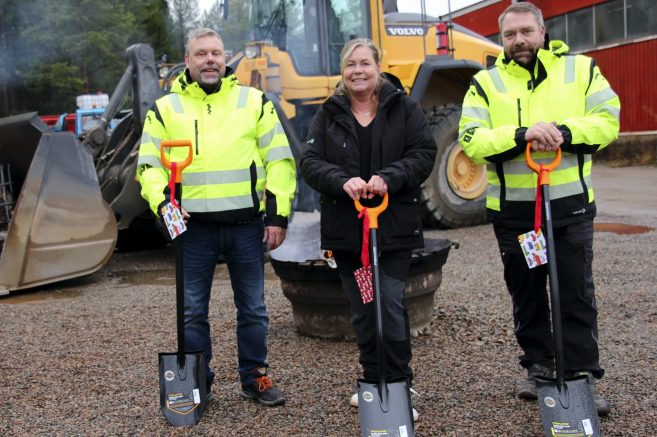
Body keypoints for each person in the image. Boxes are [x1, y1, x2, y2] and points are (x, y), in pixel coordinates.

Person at [458, 2, 619, 417]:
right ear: (501, 39)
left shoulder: (581, 71)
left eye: (526, 32)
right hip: (515, 212)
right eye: (510, 35)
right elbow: (472, 139)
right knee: (527, 295)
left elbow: (607, 122)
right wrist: (521, 134)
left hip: (570, 207)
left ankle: (581, 374)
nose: (519, 41)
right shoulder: (485, 83)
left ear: (542, 32)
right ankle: (540, 367)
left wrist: (562, 133)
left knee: (575, 293)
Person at [137, 28, 296, 407]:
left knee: (254, 309)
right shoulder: (165, 109)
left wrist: (278, 214)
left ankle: (254, 376)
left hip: (246, 226)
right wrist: (164, 204)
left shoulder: (254, 102)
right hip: (193, 230)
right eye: (201, 54)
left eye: (216, 53)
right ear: (187, 61)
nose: (210, 59)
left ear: (225, 59)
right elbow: (148, 167)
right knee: (192, 312)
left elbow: (279, 160)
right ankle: (196, 381)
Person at [300, 38, 436, 417]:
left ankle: (398, 383)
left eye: (364, 63)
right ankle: (372, 379)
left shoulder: (403, 107)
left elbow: (424, 153)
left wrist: (388, 178)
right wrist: (341, 180)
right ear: (343, 72)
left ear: (378, 66)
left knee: (389, 302)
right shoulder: (329, 113)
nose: (357, 71)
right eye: (350, 65)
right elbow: (309, 161)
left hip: (392, 227)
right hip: (349, 232)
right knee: (363, 307)